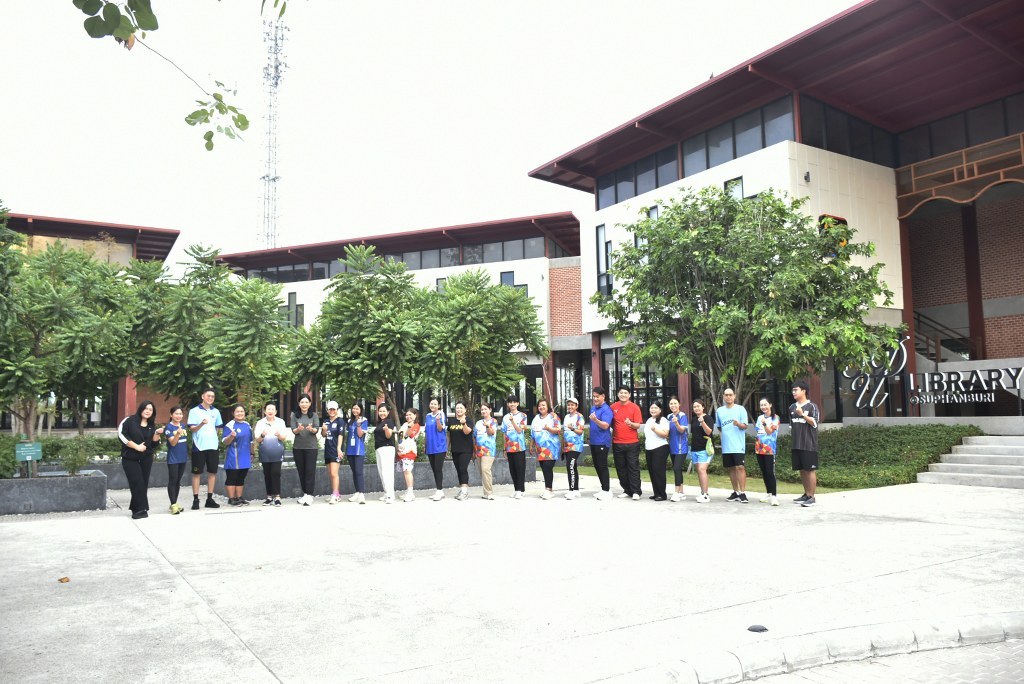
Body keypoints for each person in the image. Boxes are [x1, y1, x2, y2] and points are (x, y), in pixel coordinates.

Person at [118, 401, 161, 519]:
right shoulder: (129, 420)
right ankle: (141, 509)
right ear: (141, 409)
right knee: (137, 482)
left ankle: (136, 508)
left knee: (143, 483)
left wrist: (157, 434)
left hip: (146, 458)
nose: (148, 411)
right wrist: (136, 446)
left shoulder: (152, 425)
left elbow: (154, 444)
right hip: (130, 458)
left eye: (150, 410)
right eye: (146, 408)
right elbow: (122, 435)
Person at [187, 388, 223, 510]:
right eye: (208, 395)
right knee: (196, 473)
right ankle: (196, 499)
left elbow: (218, 428)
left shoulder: (216, 412)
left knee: (212, 473)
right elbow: (192, 429)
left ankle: (209, 499)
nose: (210, 398)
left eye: (212, 396)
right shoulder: (194, 411)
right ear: (202, 396)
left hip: (213, 446)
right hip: (199, 447)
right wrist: (201, 424)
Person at [715, 388, 750, 503]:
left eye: (730, 395)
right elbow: (719, 427)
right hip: (726, 445)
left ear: (734, 396)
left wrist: (738, 424)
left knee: (740, 467)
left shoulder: (740, 409)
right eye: (726, 395)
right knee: (731, 468)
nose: (728, 397)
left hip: (738, 444)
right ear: (723, 397)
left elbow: (745, 426)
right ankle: (736, 492)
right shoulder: (719, 411)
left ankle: (743, 493)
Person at [790, 380, 821, 507]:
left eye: (795, 390)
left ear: (804, 391)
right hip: (796, 444)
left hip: (809, 444)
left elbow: (814, 423)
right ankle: (806, 494)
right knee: (802, 470)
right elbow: (792, 426)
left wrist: (802, 414)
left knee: (810, 470)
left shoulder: (812, 406)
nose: (793, 392)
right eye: (792, 390)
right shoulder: (792, 407)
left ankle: (812, 497)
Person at [254, 402, 289, 506]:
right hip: (265, 452)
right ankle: (269, 497)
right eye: (268, 409)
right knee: (267, 474)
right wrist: (262, 435)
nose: (270, 411)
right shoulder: (260, 423)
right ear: (265, 411)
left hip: (277, 451)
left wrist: (279, 435)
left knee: (276, 473)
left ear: (275, 412)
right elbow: (258, 439)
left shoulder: (280, 422)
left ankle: (277, 497)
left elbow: (283, 437)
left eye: (272, 409)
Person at [611, 387, 643, 500]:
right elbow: (610, 423)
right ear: (618, 394)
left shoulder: (635, 407)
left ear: (629, 395)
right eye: (621, 393)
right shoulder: (613, 407)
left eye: (625, 393)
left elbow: (638, 425)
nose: (623, 395)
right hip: (617, 442)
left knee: (633, 467)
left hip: (632, 443)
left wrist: (631, 424)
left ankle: (636, 491)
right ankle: (627, 490)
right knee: (621, 468)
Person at [290, 393, 320, 506]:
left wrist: (312, 429)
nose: (304, 404)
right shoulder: (294, 415)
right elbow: (293, 430)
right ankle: (305, 494)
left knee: (310, 471)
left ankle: (309, 495)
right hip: (298, 447)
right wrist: (298, 429)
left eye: (306, 402)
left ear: (310, 403)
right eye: (302, 402)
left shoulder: (314, 415)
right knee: (301, 471)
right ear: (299, 403)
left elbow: (316, 429)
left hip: (311, 447)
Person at [222, 403, 253, 506]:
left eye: (242, 411)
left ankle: (239, 497)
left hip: (245, 456)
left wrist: (252, 453)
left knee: (241, 477)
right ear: (233, 413)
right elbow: (225, 442)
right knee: (232, 477)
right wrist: (231, 436)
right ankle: (231, 498)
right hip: (233, 456)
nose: (240, 413)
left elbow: (251, 441)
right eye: (237, 411)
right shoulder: (230, 425)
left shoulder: (247, 425)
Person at [531, 399, 561, 500]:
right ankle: (548, 489)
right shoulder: (536, 418)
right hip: (540, 448)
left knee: (548, 467)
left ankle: (548, 489)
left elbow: (558, 430)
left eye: (543, 405)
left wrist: (549, 429)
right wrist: (531, 445)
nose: (541, 407)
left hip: (551, 447)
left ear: (547, 406)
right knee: (544, 468)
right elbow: (533, 433)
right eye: (539, 405)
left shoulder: (553, 416)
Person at [588, 387, 614, 500]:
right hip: (594, 441)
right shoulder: (593, 408)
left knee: (602, 466)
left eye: (597, 396)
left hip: (602, 442)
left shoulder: (606, 409)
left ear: (603, 396)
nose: (595, 399)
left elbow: (605, 425)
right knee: (597, 465)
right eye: (594, 396)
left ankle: (607, 490)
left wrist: (595, 420)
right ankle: (603, 489)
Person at [162, 406, 188, 514]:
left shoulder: (183, 425)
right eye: (176, 413)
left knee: (178, 481)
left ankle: (175, 503)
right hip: (173, 459)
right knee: (173, 480)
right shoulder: (168, 427)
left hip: (183, 458)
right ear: (171, 415)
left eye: (180, 414)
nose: (179, 416)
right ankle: (173, 504)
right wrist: (178, 433)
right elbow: (173, 443)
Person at [755, 398, 781, 506]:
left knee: (770, 472)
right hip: (759, 447)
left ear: (770, 405)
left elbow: (770, 432)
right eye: (761, 405)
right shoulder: (759, 417)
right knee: (764, 472)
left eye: (765, 404)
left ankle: (774, 496)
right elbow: (758, 431)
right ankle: (768, 493)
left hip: (770, 448)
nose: (763, 407)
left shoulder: (775, 418)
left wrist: (765, 424)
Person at [501, 396, 528, 499]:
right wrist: (504, 448)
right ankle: (517, 489)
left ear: (517, 403)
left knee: (519, 468)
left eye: (514, 402)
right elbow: (504, 433)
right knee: (512, 469)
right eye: (510, 402)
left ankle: (520, 490)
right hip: (509, 447)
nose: (512, 404)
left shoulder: (523, 416)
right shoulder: (505, 417)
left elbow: (520, 430)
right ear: (508, 404)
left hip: (519, 447)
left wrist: (512, 421)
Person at [644, 400, 671, 501]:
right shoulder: (649, 420)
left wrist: (655, 429)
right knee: (652, 471)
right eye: (652, 408)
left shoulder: (663, 420)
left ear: (660, 410)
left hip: (660, 448)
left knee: (658, 471)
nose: (653, 410)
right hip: (649, 448)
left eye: (656, 408)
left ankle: (662, 494)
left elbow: (665, 434)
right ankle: (656, 493)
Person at [447, 401, 474, 501]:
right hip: (455, 449)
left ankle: (465, 492)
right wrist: (447, 448)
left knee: (463, 468)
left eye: (461, 408)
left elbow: (467, 432)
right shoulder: (451, 421)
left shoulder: (469, 420)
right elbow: (449, 435)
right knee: (458, 469)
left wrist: (464, 424)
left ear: (465, 409)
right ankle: (462, 490)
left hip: (466, 450)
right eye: (457, 408)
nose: (459, 410)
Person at [689, 399, 715, 503]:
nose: (696, 408)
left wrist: (702, 422)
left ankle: (705, 495)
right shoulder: (693, 419)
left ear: (703, 407)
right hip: (695, 449)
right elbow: (693, 434)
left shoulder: (708, 418)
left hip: (705, 449)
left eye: (698, 406)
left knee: (702, 469)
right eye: (694, 407)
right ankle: (703, 492)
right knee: (699, 472)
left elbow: (709, 432)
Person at [321, 400, 346, 504]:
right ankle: (336, 494)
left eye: (333, 409)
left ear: (337, 410)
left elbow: (341, 435)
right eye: (330, 409)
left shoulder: (340, 421)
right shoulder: (326, 421)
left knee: (334, 473)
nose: (332, 411)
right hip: (328, 449)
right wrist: (324, 430)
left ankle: (335, 495)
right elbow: (323, 435)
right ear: (327, 410)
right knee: (330, 474)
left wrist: (339, 448)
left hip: (336, 450)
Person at [424, 398, 448, 501]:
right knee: (434, 469)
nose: (433, 405)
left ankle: (439, 490)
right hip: (430, 446)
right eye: (431, 403)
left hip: (439, 446)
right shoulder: (427, 416)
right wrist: (425, 445)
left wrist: (438, 420)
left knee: (438, 469)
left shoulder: (441, 414)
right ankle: (439, 491)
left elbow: (440, 428)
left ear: (438, 406)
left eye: (435, 404)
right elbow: (426, 431)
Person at [344, 403, 369, 504]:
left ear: (361, 410)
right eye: (353, 408)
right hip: (350, 449)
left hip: (359, 450)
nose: (355, 410)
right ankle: (357, 492)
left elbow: (360, 434)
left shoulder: (364, 420)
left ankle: (362, 494)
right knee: (354, 471)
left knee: (358, 471)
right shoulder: (349, 421)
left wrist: (358, 424)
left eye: (357, 409)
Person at [667, 397, 690, 502]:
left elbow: (681, 431)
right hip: (672, 447)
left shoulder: (682, 415)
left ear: (679, 404)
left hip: (681, 447)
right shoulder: (669, 416)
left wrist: (676, 423)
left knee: (676, 468)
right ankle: (681, 492)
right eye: (671, 404)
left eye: (675, 403)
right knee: (678, 469)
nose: (673, 405)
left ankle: (676, 493)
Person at [474, 403, 498, 500]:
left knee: (485, 469)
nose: (483, 411)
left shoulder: (493, 421)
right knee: (482, 471)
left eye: (485, 409)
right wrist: (473, 449)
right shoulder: (478, 423)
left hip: (489, 450)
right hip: (478, 449)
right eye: (482, 409)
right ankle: (485, 493)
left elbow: (491, 433)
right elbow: (474, 436)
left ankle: (489, 493)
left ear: (490, 410)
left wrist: (488, 426)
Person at [374, 404, 397, 504]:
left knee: (387, 472)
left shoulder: (389, 422)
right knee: (382, 471)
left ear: (388, 412)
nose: (382, 413)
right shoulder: (380, 423)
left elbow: (388, 436)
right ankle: (386, 492)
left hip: (387, 448)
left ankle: (390, 495)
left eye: (384, 411)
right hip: (379, 448)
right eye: (380, 411)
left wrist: (387, 429)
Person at [562, 397, 585, 499]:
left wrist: (573, 428)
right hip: (567, 446)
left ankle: (571, 491)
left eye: (572, 405)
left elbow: (580, 432)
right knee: (573, 467)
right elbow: (564, 431)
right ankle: (576, 490)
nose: (570, 406)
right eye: (569, 405)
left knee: (570, 466)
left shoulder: (580, 417)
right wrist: (563, 444)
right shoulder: (566, 416)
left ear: (576, 406)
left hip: (576, 446)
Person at [397, 408, 421, 503]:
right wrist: (398, 447)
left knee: (407, 471)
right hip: (402, 451)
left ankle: (411, 493)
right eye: (407, 415)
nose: (408, 416)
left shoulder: (416, 425)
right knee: (405, 471)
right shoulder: (404, 425)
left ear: (415, 415)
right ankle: (408, 491)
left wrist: (409, 427)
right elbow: (400, 437)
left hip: (410, 451)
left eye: (410, 414)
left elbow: (409, 434)